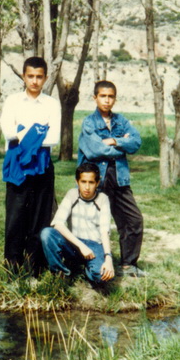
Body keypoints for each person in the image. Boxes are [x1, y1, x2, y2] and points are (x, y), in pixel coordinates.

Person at [77, 80, 146, 277]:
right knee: (92, 223)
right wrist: (121, 147)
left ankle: (128, 265)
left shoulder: (121, 121)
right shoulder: (89, 122)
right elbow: (94, 149)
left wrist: (114, 140)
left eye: (110, 96)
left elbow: (136, 142)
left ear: (115, 99)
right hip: (96, 180)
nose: (107, 100)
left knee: (133, 220)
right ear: (95, 98)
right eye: (103, 96)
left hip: (119, 179)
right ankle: (88, 263)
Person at [0, 56, 61, 272]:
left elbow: (53, 138)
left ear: (46, 78)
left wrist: (23, 131)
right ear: (23, 76)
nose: (35, 81)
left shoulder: (52, 104)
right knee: (15, 217)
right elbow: (8, 131)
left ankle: (35, 268)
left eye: (39, 77)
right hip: (17, 164)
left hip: (42, 164)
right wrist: (38, 131)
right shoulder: (13, 101)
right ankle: (12, 268)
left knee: (39, 218)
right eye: (30, 76)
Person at [40, 162, 115, 284]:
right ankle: (61, 274)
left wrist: (108, 258)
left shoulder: (103, 198)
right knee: (47, 233)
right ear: (77, 182)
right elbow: (58, 224)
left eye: (91, 182)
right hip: (74, 243)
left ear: (97, 183)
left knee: (102, 277)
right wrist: (81, 246)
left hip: (94, 245)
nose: (87, 187)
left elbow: (104, 232)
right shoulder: (72, 194)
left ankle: (86, 269)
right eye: (83, 182)